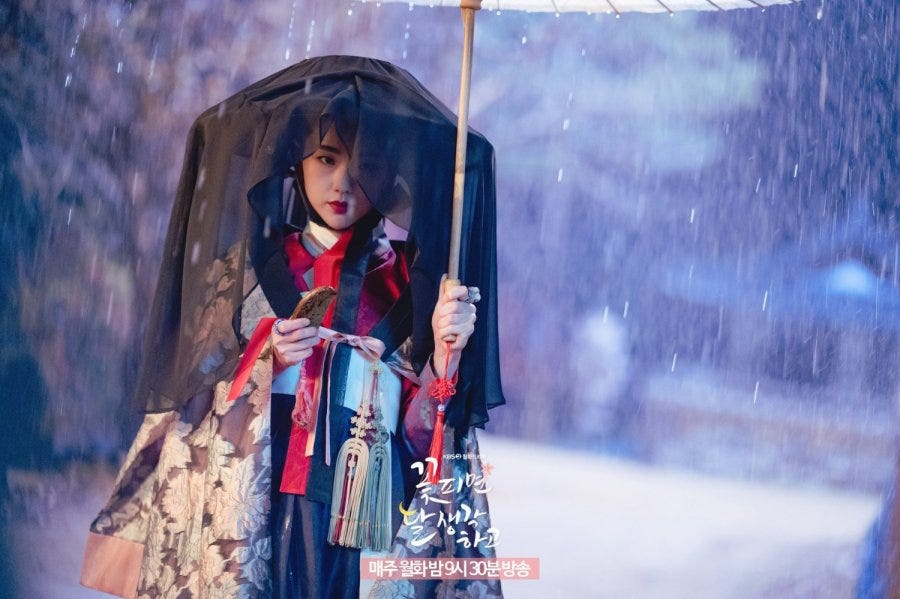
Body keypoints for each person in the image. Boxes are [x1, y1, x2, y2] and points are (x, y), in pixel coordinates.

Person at [80, 55, 504, 598]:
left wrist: (446, 357)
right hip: (261, 508)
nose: (343, 182)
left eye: (365, 164)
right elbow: (193, 405)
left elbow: (427, 436)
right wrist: (264, 362)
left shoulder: (416, 285)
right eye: (325, 158)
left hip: (368, 517)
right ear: (295, 162)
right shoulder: (242, 276)